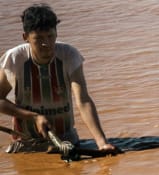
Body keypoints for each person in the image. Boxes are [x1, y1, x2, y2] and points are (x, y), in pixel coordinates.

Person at [0, 4, 118, 154]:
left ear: (56, 33)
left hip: (66, 141)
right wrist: (34, 117)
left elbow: (83, 101)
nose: (47, 44)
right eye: (39, 38)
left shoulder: (69, 55)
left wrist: (102, 142)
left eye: (50, 36)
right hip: (26, 143)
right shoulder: (15, 58)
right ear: (26, 38)